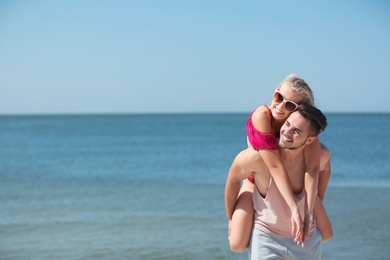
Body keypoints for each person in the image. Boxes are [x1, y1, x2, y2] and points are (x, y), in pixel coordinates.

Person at [225, 75, 324, 249]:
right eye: (279, 97)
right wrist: (230, 218)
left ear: (299, 110)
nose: (279, 106)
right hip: (256, 181)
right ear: (275, 91)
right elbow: (274, 165)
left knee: (325, 232)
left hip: (284, 181)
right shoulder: (262, 115)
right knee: (237, 244)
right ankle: (258, 223)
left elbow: (315, 168)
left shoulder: (303, 131)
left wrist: (311, 206)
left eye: (289, 105)